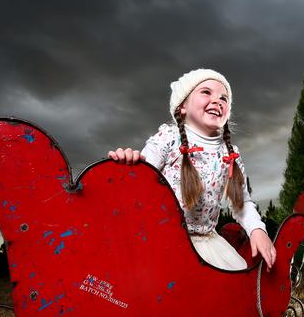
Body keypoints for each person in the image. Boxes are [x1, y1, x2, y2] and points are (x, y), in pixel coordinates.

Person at [108, 69, 276, 271]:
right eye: (206, 92)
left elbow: (241, 203)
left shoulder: (230, 155)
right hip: (162, 239)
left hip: (206, 245)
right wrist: (129, 163)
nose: (217, 100)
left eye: (224, 98)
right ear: (182, 107)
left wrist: (258, 230)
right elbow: (141, 182)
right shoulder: (167, 140)